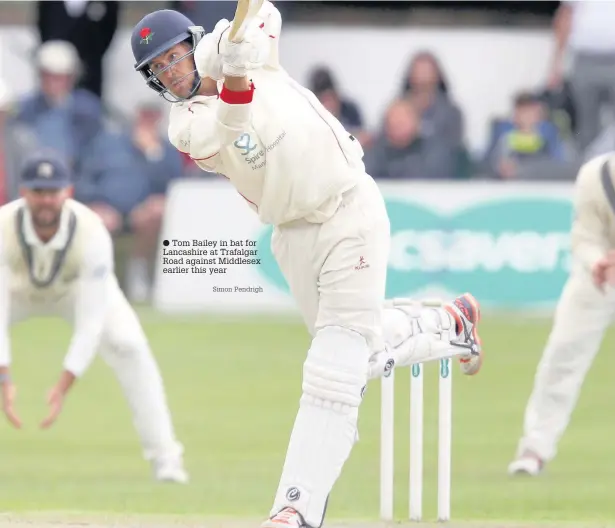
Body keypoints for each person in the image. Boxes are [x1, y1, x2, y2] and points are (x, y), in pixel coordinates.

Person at [131, 2, 484, 526]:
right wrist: (235, 71)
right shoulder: (184, 127)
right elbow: (231, 123)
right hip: (292, 236)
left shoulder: (226, 46)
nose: (171, 73)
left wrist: (238, 46)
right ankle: (447, 324)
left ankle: (295, 508)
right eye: (158, 70)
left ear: (190, 44)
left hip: (348, 209)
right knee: (355, 355)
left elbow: (266, 13)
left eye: (174, 58)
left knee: (331, 374)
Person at [0, 150, 188, 484]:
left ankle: (167, 459)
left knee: (129, 344)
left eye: (52, 192)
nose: (45, 201)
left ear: (67, 192)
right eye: (37, 192)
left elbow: (91, 323)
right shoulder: (4, 226)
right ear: (24, 193)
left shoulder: (91, 231)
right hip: (18, 289)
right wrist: (4, 377)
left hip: (75, 291)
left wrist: (62, 385)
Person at [508, 152, 615, 476]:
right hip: (599, 276)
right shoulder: (597, 176)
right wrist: (598, 262)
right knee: (562, 355)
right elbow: (585, 237)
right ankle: (534, 448)